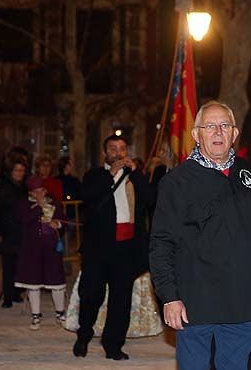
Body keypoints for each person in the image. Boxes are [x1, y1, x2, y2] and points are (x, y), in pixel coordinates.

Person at [150, 101, 251, 369]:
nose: (218, 132)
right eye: (210, 126)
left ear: (235, 133)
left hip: (242, 305)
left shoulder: (248, 173)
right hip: (195, 304)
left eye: (225, 125)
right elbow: (161, 243)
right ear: (196, 135)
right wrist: (169, 296)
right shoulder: (176, 182)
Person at [72, 135, 154, 360]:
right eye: (113, 149)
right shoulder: (95, 175)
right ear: (104, 153)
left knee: (121, 300)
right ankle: (84, 334)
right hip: (98, 249)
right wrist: (110, 174)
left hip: (126, 249)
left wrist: (136, 173)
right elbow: (87, 195)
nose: (118, 153)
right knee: (90, 295)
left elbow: (150, 198)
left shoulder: (135, 177)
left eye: (122, 149)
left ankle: (113, 344)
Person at [14, 175, 66, 331]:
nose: (39, 195)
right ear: (30, 193)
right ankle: (35, 315)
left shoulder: (55, 203)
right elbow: (23, 220)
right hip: (31, 248)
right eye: (35, 192)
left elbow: (62, 220)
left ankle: (60, 313)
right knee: (33, 282)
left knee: (56, 281)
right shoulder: (24, 205)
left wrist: (57, 224)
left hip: (51, 248)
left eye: (41, 191)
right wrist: (38, 207)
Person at [0, 159, 27, 308]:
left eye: (22, 171)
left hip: (21, 232)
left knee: (20, 266)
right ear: (11, 172)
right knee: (8, 266)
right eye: (17, 170)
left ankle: (16, 293)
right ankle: (7, 297)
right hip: (7, 231)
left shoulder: (24, 188)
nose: (19, 173)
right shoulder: (3, 188)